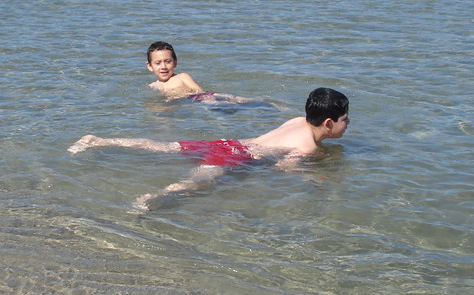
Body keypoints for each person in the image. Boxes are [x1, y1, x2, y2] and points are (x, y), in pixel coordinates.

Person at [69, 87, 349, 210]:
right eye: (344, 120)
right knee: (194, 183)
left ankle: (100, 141)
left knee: (162, 147)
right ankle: (149, 199)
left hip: (229, 143)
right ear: (328, 123)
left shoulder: (296, 120)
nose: (347, 125)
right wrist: (314, 179)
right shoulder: (308, 147)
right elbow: (283, 168)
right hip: (235, 157)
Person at [145, 41, 262, 105]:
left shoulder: (182, 77)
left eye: (167, 61)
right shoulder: (152, 86)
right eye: (158, 63)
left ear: (175, 62)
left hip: (203, 98)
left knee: (235, 100)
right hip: (191, 103)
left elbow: (198, 91)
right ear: (150, 66)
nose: (163, 66)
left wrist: (178, 97)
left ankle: (261, 102)